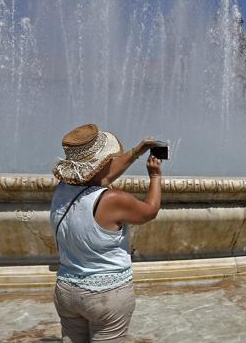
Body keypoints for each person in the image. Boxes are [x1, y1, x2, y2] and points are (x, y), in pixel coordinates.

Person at [50, 123, 162, 342]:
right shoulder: (111, 200)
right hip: (105, 296)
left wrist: (135, 153)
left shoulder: (61, 190)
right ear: (102, 163)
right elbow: (149, 212)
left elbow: (101, 177)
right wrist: (155, 177)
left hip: (66, 291)